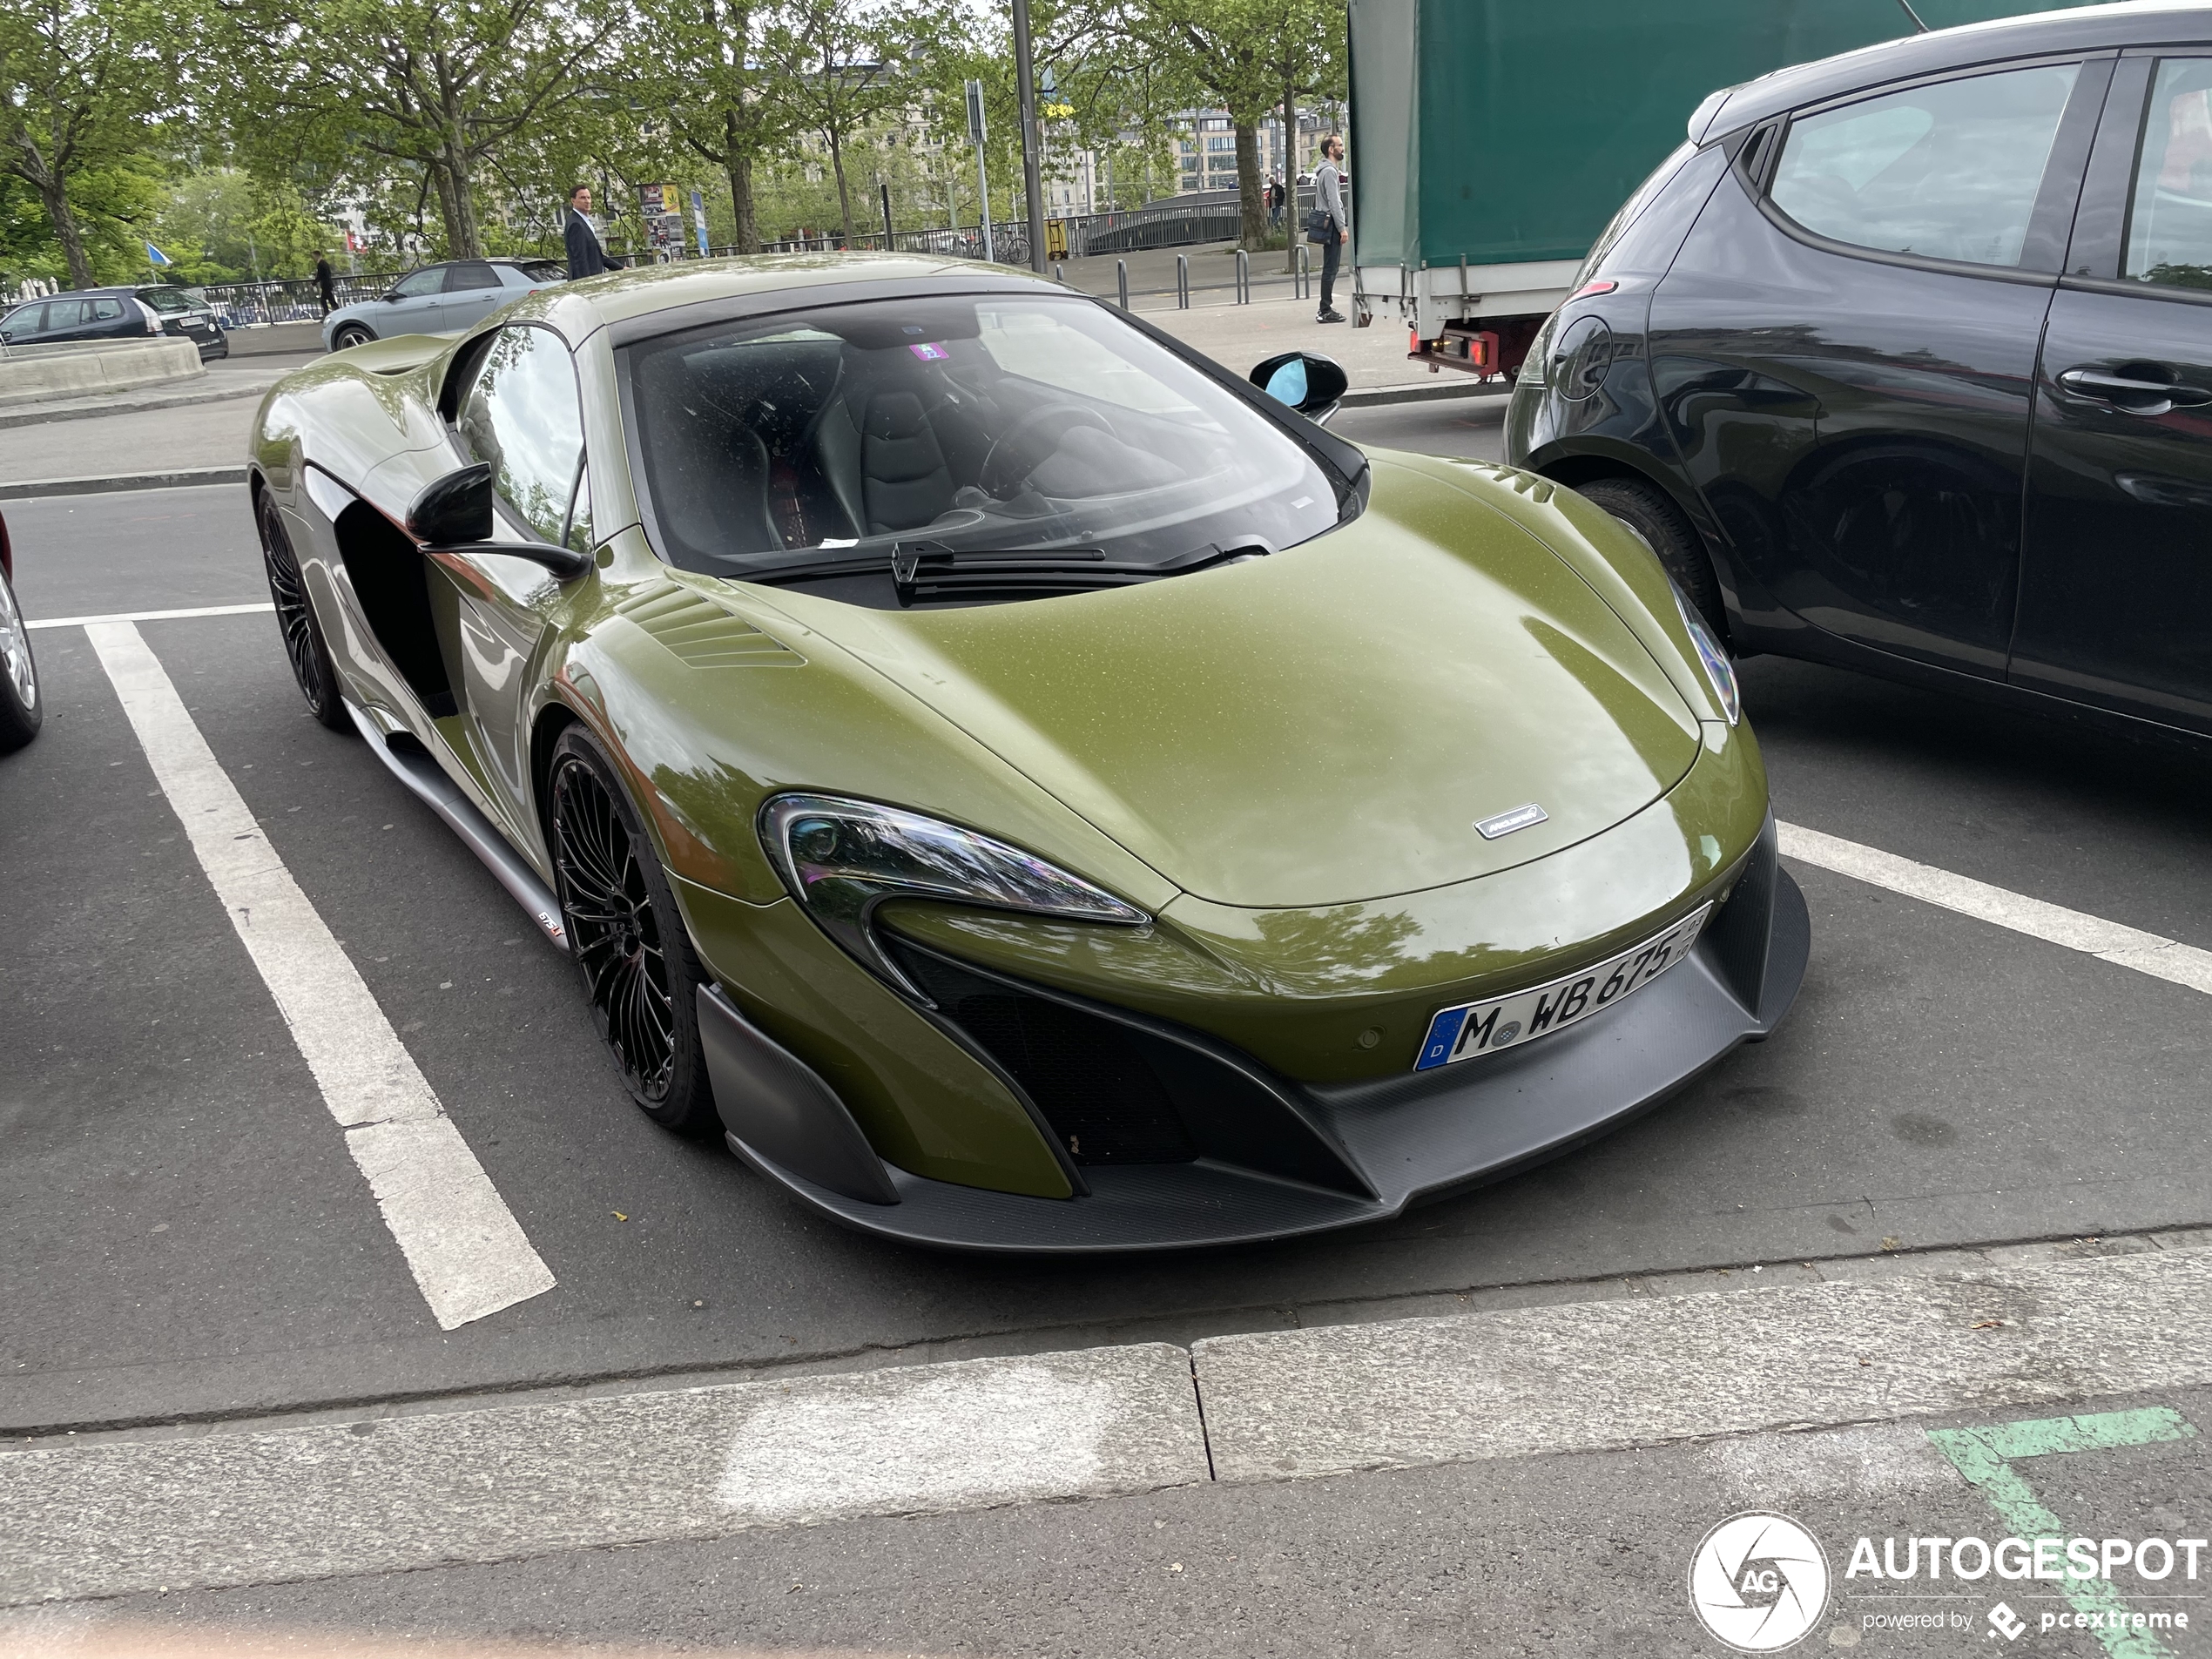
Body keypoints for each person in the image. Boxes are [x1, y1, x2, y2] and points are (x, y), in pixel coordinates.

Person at [1313, 135, 1348, 323]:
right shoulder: (1329, 172)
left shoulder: (1324, 171)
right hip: (1332, 225)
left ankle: (1325, 307)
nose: (1342, 149)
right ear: (1331, 149)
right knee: (1331, 268)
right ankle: (1325, 309)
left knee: (1330, 267)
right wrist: (1342, 227)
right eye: (1340, 145)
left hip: (1327, 223)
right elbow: (1334, 202)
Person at [563, 185, 626, 279]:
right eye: (582, 198)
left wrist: (622, 268)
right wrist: (588, 284)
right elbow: (580, 260)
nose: (587, 201)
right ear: (573, 201)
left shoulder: (584, 222)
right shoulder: (576, 224)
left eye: (589, 197)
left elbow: (597, 255)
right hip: (588, 283)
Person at [313, 251, 337, 315]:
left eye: (314, 256)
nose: (314, 258)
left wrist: (313, 283)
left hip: (326, 285)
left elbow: (320, 275)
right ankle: (336, 312)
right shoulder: (324, 263)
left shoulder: (321, 264)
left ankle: (327, 314)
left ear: (317, 255)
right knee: (331, 300)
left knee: (324, 300)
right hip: (328, 284)